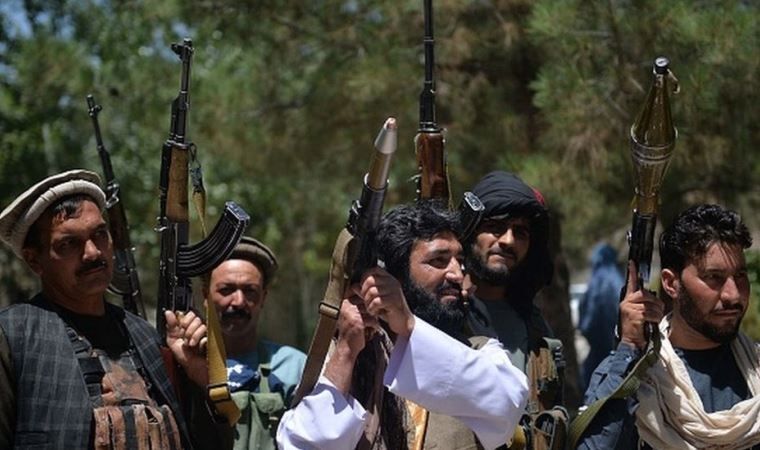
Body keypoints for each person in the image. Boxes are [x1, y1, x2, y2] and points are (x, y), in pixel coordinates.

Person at [276, 199, 529, 449]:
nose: (457, 274)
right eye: (438, 261)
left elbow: (509, 402)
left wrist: (409, 324)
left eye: (460, 261)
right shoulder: (352, 353)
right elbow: (300, 444)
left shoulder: (480, 352)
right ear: (392, 277)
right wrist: (346, 351)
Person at [0, 170, 222, 449]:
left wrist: (200, 379)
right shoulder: (13, 337)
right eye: (69, 244)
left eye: (99, 234)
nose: (93, 252)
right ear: (34, 260)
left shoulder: (145, 337)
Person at [578, 204, 760, 449]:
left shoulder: (755, 368)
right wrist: (629, 349)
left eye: (739, 276)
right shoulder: (638, 377)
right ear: (671, 283)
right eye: (713, 277)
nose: (733, 294)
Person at [464, 170, 567, 446]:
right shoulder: (443, 317)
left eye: (520, 232)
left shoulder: (535, 328)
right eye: (495, 227)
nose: (508, 240)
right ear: (470, 232)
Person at [204, 236, 306, 449]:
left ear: (263, 298)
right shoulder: (184, 363)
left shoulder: (293, 367)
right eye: (226, 290)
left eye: (250, 290)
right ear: (205, 295)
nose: (239, 301)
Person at [577, 242, 624, 390]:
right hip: (617, 345)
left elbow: (588, 315)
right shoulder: (618, 278)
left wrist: (586, 331)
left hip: (599, 346)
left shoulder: (598, 280)